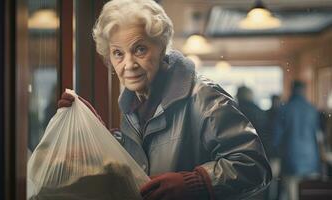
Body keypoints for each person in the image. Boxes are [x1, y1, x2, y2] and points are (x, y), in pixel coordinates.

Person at [58, 0, 271, 199]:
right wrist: (96, 131)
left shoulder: (204, 96)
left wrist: (196, 182)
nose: (129, 64)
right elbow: (141, 160)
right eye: (118, 53)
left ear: (161, 48)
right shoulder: (132, 103)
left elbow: (255, 166)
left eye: (140, 49)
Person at [273, 80, 321, 200]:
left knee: (292, 196)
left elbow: (277, 137)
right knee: (309, 195)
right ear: (304, 91)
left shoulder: (284, 109)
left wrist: (276, 155)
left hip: (291, 158)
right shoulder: (312, 109)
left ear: (291, 90)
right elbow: (318, 135)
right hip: (311, 159)